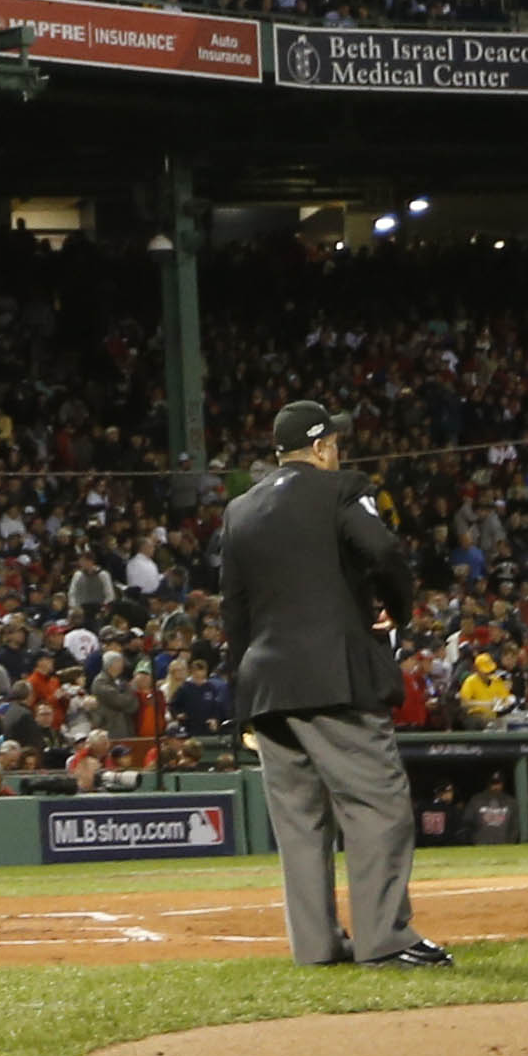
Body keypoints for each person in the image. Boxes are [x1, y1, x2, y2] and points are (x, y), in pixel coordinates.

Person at [215, 401, 442, 969]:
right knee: (377, 805)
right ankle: (385, 940)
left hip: (264, 687)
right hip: (335, 681)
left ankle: (316, 947)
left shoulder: (239, 510)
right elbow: (384, 549)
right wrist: (398, 606)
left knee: (300, 823)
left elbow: (235, 613)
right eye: (334, 441)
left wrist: (242, 705)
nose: (339, 450)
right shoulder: (340, 488)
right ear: (320, 448)